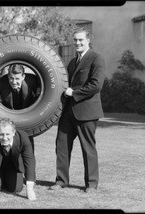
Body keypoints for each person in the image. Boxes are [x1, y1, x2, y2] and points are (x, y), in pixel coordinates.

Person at [53, 27, 106, 193]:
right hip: (68, 112)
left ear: (88, 40)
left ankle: (91, 184)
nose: (77, 43)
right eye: (75, 40)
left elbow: (96, 85)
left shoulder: (96, 58)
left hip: (87, 112)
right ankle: (61, 181)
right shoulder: (72, 62)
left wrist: (74, 93)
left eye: (81, 40)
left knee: (87, 148)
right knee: (61, 146)